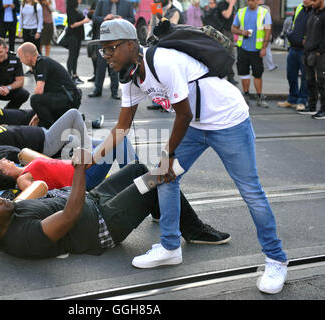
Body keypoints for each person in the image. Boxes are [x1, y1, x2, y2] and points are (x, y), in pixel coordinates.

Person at [89, 19, 288, 294]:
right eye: (103, 50)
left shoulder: (163, 61)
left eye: (111, 48)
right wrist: (91, 157)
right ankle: (170, 247)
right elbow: (121, 128)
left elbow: (183, 114)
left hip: (228, 121)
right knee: (164, 178)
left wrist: (169, 156)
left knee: (251, 191)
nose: (107, 55)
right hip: (196, 126)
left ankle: (276, 259)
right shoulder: (131, 79)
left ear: (132, 45)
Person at [0, 162, 231, 260]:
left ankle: (157, 207)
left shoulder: (1, 223)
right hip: (104, 222)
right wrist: (79, 169)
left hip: (95, 200)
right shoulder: (23, 237)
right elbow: (70, 214)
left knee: (137, 169)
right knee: (152, 180)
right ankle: (195, 231)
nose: (1, 201)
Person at [0, 133, 137, 191]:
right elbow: (36, 196)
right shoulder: (22, 179)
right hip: (85, 175)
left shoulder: (25, 167)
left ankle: (138, 179)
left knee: (115, 139)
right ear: (4, 173)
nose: (4, 159)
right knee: (119, 139)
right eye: (0, 162)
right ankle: (139, 183)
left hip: (82, 165)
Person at [0, 109, 92, 162]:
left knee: (100, 145)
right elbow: (18, 154)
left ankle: (97, 147)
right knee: (74, 114)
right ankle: (88, 152)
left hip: (44, 133)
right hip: (46, 142)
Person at [17, 42, 83, 129]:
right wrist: (38, 114)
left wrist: (38, 113)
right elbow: (45, 92)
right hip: (63, 97)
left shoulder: (41, 63)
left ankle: (49, 129)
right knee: (39, 111)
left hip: (69, 98)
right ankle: (75, 121)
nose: (21, 61)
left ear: (28, 56)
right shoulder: (38, 64)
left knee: (35, 99)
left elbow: (39, 91)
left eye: (21, 57)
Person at [88, 0, 135, 99]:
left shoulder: (127, 4)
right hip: (104, 40)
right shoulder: (101, 2)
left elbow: (132, 20)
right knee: (100, 65)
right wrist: (105, 18)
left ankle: (114, 91)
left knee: (115, 66)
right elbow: (95, 18)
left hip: (119, 42)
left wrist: (122, 20)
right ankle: (97, 89)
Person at [231, 0, 272, 108]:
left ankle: (259, 97)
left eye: (252, 0)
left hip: (257, 49)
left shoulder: (264, 13)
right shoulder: (241, 12)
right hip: (243, 48)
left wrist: (264, 48)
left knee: (258, 73)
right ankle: (246, 95)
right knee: (244, 73)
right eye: (248, 0)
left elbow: (268, 30)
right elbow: (233, 28)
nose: (250, 3)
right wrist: (242, 32)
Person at [277, 0, 311, 112]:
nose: (305, 0)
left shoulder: (316, 11)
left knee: (305, 77)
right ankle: (292, 99)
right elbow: (293, 24)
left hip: (305, 50)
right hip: (293, 48)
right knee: (291, 74)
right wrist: (290, 34)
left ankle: (302, 100)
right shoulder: (300, 8)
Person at [300, 0, 325, 119]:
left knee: (322, 82)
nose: (312, 3)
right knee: (310, 81)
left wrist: (319, 51)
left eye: (315, 0)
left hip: (320, 54)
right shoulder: (312, 13)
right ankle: (312, 106)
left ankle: (324, 110)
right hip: (308, 51)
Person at [66, 0, 89, 84]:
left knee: (75, 56)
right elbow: (72, 25)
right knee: (72, 56)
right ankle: (70, 76)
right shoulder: (70, 10)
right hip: (73, 36)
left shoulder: (76, 9)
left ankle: (74, 75)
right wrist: (84, 21)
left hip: (78, 36)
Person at [216, 0, 238, 85]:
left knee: (231, 55)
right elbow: (227, 15)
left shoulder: (230, 5)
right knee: (225, 54)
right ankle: (224, 76)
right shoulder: (222, 4)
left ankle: (230, 76)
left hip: (229, 32)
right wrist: (231, 4)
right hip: (222, 32)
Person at [258, 0, 277, 71]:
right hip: (265, 32)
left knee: (255, 50)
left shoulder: (253, 8)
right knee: (267, 49)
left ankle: (251, 65)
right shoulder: (266, 8)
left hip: (257, 33)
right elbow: (268, 22)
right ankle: (270, 66)